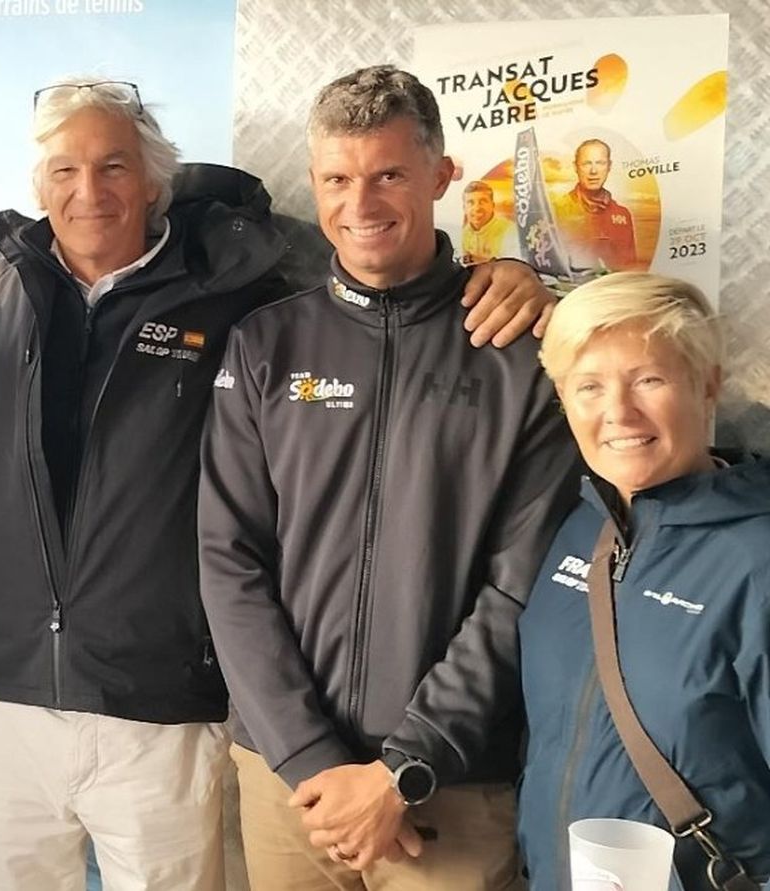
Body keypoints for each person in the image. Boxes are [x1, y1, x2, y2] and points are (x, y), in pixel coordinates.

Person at [0, 77, 555, 891]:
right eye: (64, 170)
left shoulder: (236, 292)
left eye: (113, 165)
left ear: (155, 181)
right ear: (38, 185)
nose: (89, 191)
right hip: (9, 701)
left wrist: (510, 274)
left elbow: (379, 294)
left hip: (161, 711)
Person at [198, 65, 580, 890]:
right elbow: (229, 562)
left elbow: (524, 588)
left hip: (453, 787)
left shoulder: (521, 353)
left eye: (389, 175)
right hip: (290, 784)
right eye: (338, 178)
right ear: (314, 182)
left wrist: (404, 767)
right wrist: (308, 757)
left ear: (442, 176)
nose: (360, 204)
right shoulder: (264, 345)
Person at [519, 272, 770, 890]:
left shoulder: (755, 559)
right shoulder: (580, 531)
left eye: (648, 379)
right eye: (589, 387)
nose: (618, 413)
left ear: (706, 384)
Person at [553, 138, 639, 272]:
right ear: (576, 167)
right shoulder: (556, 210)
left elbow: (630, 269)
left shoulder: (622, 214)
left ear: (609, 166)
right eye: (587, 163)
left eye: (600, 163)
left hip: (612, 289)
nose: (593, 171)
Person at [460, 180, 521, 263]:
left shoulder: (509, 231)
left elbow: (512, 266)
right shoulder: (465, 232)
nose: (477, 208)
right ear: (464, 208)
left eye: (482, 201)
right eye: (471, 203)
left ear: (492, 205)